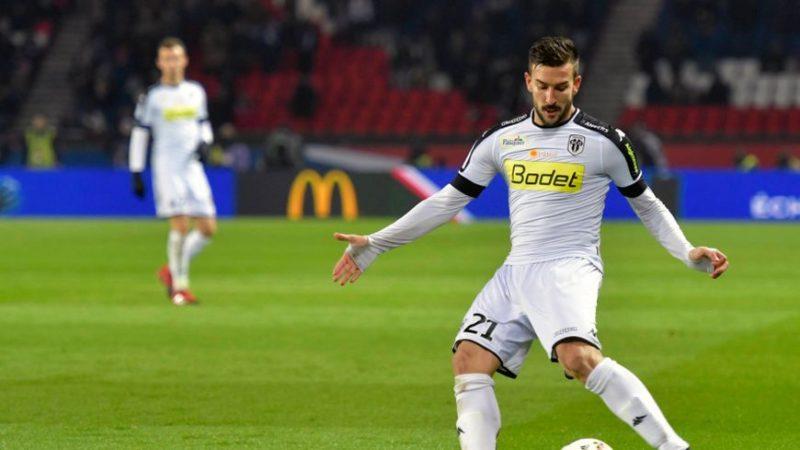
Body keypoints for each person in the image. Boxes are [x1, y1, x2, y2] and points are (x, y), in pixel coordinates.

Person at [331, 36, 729, 450]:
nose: (550, 97)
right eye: (542, 86)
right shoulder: (501, 140)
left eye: (560, 87)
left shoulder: (605, 142)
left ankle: (672, 447)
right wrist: (377, 243)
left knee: (578, 359)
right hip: (516, 270)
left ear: (577, 83)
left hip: (569, 267)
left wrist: (687, 251)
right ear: (528, 82)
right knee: (469, 359)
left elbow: (646, 204)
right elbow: (448, 200)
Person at [128, 37, 217, 306]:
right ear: (159, 63)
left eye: (176, 58)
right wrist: (136, 171)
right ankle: (180, 287)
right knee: (180, 224)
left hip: (192, 166)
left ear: (185, 60)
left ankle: (170, 270)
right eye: (167, 59)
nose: (172, 63)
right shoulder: (152, 97)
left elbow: (203, 123)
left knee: (208, 228)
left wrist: (206, 142)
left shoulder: (196, 92)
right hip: (167, 167)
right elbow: (140, 134)